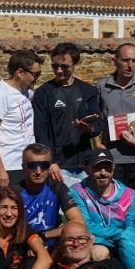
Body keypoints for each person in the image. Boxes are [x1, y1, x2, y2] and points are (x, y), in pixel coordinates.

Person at [96, 43, 135, 195]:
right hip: (113, 158)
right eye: (125, 60)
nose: (130, 65)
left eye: (134, 61)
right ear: (115, 61)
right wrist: (97, 142)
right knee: (116, 202)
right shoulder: (102, 86)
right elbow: (97, 118)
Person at [32, 43, 100, 186]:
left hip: (84, 165)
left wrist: (89, 128)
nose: (59, 70)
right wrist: (50, 162)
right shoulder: (44, 93)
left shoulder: (88, 91)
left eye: (64, 66)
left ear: (75, 63)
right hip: (57, 166)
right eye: (55, 66)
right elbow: (40, 130)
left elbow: (98, 125)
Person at [68, 149, 135, 259]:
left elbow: (132, 228)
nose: (103, 173)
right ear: (86, 169)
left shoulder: (130, 194)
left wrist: (122, 237)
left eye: (108, 167)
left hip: (122, 242)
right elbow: (84, 224)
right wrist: (118, 235)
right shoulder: (77, 192)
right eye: (97, 167)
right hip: (95, 242)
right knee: (99, 253)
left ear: (114, 167)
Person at [0, 51, 42, 191]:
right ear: (20, 72)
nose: (37, 79)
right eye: (35, 74)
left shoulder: (27, 93)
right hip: (9, 166)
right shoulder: (0, 94)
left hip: (28, 163)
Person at [19, 144, 84, 249]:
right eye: (32, 165)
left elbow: (78, 221)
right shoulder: (15, 193)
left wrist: (44, 236)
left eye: (44, 165)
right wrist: (34, 242)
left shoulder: (57, 188)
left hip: (52, 244)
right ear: (24, 167)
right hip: (25, 246)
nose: (38, 171)